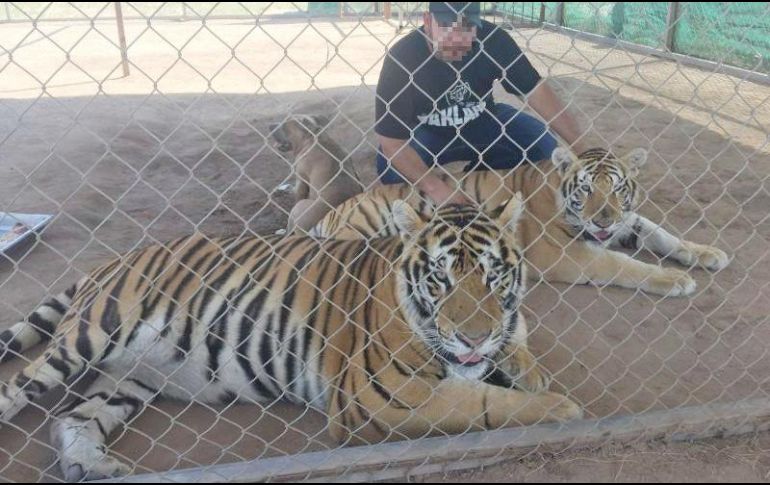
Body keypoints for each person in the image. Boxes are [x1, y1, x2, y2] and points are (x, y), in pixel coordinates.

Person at [374, 2, 588, 205]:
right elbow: (392, 142)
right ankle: (453, 184)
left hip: (483, 118)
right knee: (391, 170)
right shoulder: (402, 57)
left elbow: (535, 91)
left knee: (543, 146)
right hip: (426, 130)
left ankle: (477, 177)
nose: (457, 38)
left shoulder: (494, 40)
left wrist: (584, 149)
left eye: (467, 27)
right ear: (428, 21)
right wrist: (436, 189)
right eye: (447, 26)